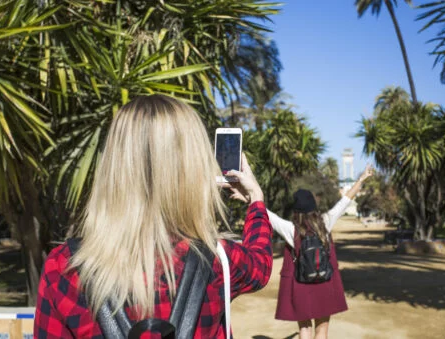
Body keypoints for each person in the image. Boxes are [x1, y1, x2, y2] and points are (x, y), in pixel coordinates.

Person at [33, 95, 273, 338]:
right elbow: (261, 263)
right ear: (192, 168)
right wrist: (256, 200)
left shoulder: (63, 267)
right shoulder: (219, 260)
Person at [268, 166, 374, 339]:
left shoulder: (291, 229)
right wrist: (361, 179)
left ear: (296, 210)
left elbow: (269, 216)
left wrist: (247, 197)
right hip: (324, 281)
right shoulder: (325, 221)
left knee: (304, 330)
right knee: (322, 331)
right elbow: (345, 201)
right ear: (313, 206)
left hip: (301, 282)